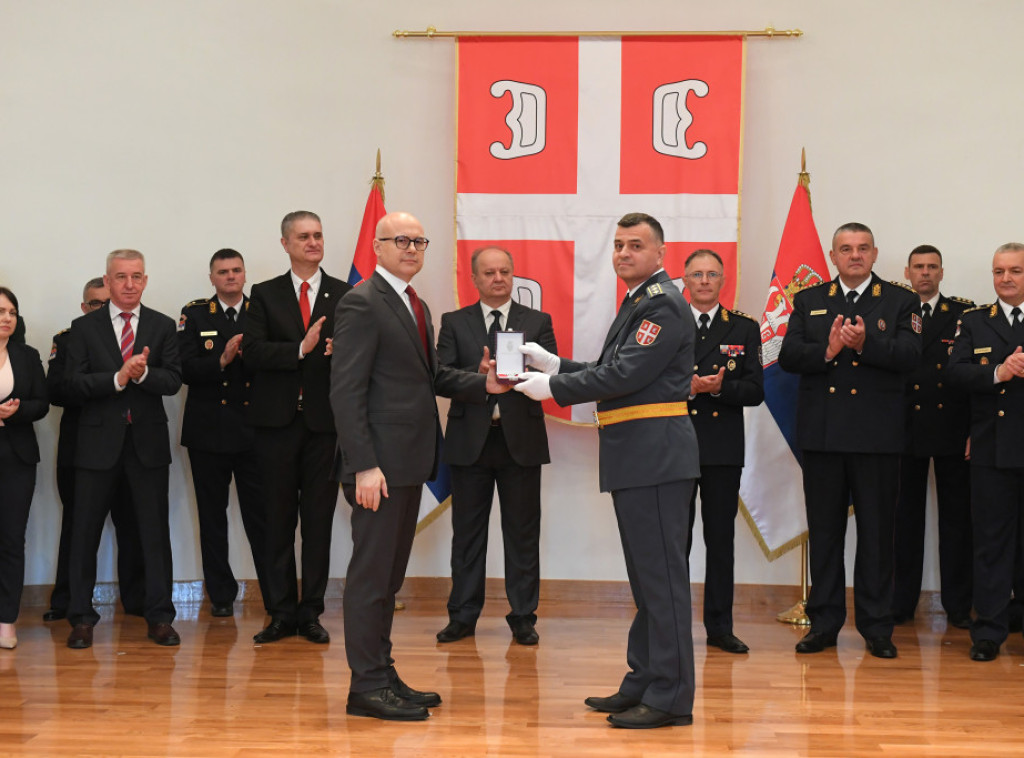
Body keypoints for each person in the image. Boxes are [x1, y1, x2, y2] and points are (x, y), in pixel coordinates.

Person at [515, 212, 699, 729]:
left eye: (635, 245)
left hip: (655, 457)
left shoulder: (662, 303)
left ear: (660, 253)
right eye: (618, 244)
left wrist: (553, 388)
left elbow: (626, 374)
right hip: (638, 455)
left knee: (662, 581)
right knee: (646, 581)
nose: (623, 253)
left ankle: (671, 696)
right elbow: (612, 370)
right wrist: (557, 366)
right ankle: (645, 678)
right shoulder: (640, 301)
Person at [332, 211, 501, 721]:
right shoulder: (362, 302)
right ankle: (365, 687)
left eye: (419, 241)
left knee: (388, 579)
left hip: (409, 463)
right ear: (378, 247)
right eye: (401, 240)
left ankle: (382, 674)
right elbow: (346, 391)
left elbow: (431, 377)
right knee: (370, 579)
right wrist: (364, 465)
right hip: (379, 469)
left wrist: (483, 383)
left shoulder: (415, 304)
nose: (411, 248)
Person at [778, 222, 921, 659]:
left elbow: (911, 355)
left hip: (877, 439)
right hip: (823, 438)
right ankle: (823, 624)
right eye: (846, 249)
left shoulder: (900, 300)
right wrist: (828, 350)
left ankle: (877, 627)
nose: (854, 255)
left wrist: (864, 344)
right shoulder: (809, 299)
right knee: (825, 535)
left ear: (874, 254)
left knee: (877, 536)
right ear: (833, 256)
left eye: (862, 248)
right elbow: (787, 356)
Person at [435, 246, 557, 646]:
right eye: (489, 272)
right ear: (474, 278)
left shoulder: (537, 321)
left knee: (523, 534)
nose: (498, 278)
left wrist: (523, 374)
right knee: (467, 535)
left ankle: (523, 617)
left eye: (504, 271)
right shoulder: (454, 322)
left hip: (520, 442)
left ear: (513, 274)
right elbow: (439, 377)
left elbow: (552, 375)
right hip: (470, 442)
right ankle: (462, 616)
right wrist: (478, 376)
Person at [64, 250, 183, 649]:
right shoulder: (83, 327)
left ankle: (160, 617)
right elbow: (72, 384)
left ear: (145, 281)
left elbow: (173, 380)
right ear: (108, 281)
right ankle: (81, 618)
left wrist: (143, 373)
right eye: (121, 277)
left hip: (147, 447)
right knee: (84, 534)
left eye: (136, 276)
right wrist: (117, 378)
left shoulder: (163, 325)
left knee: (154, 534)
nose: (129, 284)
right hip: (97, 446)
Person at [241, 211, 350, 644]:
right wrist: (299, 349)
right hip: (276, 425)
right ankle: (280, 612)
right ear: (285, 244)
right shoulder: (264, 294)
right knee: (277, 521)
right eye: (303, 236)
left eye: (318, 235)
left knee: (318, 522)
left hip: (324, 426)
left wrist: (342, 349)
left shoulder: (345, 293)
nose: (313, 242)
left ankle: (311, 613)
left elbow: (362, 352)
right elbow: (252, 353)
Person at [44, 278, 145, 622]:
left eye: (107, 302)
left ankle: (137, 601)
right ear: (83, 307)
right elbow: (56, 391)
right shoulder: (67, 339)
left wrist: (93, 383)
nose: (101, 308)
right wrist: (106, 382)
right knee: (77, 526)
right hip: (80, 449)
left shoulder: (135, 335)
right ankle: (67, 600)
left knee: (131, 524)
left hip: (128, 445)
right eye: (94, 303)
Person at [178, 249, 269, 617]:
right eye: (223, 272)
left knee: (262, 518)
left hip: (254, 429)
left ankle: (275, 594)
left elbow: (276, 363)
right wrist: (221, 360)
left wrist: (252, 357)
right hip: (208, 432)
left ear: (245, 274)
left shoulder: (261, 310)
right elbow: (183, 368)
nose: (230, 277)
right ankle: (220, 596)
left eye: (236, 270)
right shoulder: (196, 313)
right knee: (212, 517)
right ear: (212, 278)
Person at [682, 249, 763, 655]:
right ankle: (671, 625)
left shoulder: (744, 328)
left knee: (720, 540)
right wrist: (684, 388)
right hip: (675, 446)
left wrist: (719, 389)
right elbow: (646, 382)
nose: (704, 281)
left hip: (721, 449)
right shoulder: (668, 325)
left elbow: (755, 390)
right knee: (674, 542)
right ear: (684, 281)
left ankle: (720, 627)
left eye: (712, 274)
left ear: (723, 280)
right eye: (697, 274)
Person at [948, 242, 1024, 661]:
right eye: (999, 271)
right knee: (991, 542)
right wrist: (999, 371)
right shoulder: (976, 321)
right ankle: (990, 631)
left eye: (1015, 271)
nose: (1005, 278)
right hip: (992, 446)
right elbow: (955, 374)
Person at [893, 245, 974, 629]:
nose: (925, 273)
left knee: (957, 521)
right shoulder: (894, 310)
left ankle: (958, 606)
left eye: (932, 267)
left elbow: (970, 373)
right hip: (903, 428)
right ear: (907, 272)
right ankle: (900, 604)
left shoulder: (963, 314)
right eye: (918, 267)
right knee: (903, 520)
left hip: (951, 427)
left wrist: (973, 429)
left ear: (942, 273)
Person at [0, 287, 49, 649]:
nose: (6, 318)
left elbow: (42, 403)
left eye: (12, 312)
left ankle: (6, 621)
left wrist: (15, 412)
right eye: (0, 311)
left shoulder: (27, 355)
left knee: (11, 539)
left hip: (16, 457)